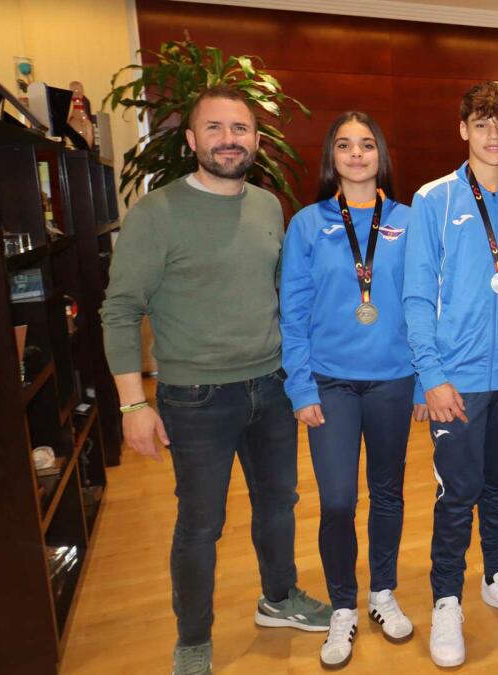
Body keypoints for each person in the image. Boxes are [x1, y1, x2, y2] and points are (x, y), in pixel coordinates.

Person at [100, 85, 330, 675]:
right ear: (191, 139)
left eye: (241, 129)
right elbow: (121, 310)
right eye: (215, 129)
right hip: (195, 397)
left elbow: (285, 296)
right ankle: (194, 637)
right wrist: (132, 406)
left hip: (272, 387)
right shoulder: (156, 215)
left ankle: (278, 598)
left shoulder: (267, 206)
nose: (229, 140)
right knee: (201, 523)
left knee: (278, 505)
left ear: (256, 139)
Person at [402, 81, 498, 668]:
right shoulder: (433, 201)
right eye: (483, 123)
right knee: (456, 492)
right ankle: (446, 598)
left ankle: (496, 575)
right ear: (463, 129)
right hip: (456, 380)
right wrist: (432, 378)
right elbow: (417, 298)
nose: (495, 135)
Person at [279, 111, 427, 668]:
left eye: (367, 144)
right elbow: (291, 312)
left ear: (381, 155)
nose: (357, 154)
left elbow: (422, 306)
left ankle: (381, 593)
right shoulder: (307, 223)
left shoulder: (411, 221)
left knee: (388, 493)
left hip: (394, 379)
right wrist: (300, 387)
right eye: (345, 145)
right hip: (330, 383)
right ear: (332, 157)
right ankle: (343, 603)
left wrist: (422, 382)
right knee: (338, 499)